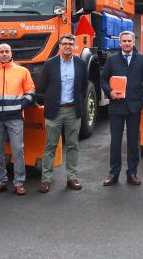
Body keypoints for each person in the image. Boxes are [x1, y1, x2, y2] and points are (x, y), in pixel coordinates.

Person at [36, 33, 88, 193]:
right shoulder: (50, 64)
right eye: (64, 43)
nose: (67, 46)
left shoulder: (81, 64)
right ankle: (46, 180)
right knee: (50, 145)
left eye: (70, 44)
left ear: (74, 46)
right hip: (54, 111)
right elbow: (42, 87)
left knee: (73, 145)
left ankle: (72, 177)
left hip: (73, 110)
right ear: (59, 46)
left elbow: (84, 87)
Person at [0, 43, 36, 196]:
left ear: (11, 53)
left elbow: (31, 93)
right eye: (1, 52)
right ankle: (1, 182)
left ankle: (19, 183)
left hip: (15, 118)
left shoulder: (23, 71)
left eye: (7, 51)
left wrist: (19, 106)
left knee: (18, 150)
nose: (4, 54)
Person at [100, 30, 143, 186]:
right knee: (115, 142)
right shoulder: (112, 60)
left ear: (134, 42)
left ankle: (132, 173)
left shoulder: (142, 60)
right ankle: (114, 173)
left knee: (133, 142)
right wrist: (109, 92)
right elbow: (103, 80)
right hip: (116, 106)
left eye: (129, 41)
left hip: (135, 107)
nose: (127, 43)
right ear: (120, 43)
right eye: (124, 41)